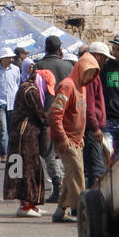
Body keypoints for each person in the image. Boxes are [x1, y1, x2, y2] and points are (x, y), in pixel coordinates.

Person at [47, 51, 100, 222]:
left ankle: (61, 210)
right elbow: (55, 114)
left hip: (77, 140)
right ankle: (81, 211)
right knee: (77, 175)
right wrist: (63, 138)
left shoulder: (83, 88)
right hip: (66, 140)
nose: (90, 76)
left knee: (72, 175)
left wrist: (81, 136)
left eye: (93, 73)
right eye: (88, 72)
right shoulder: (67, 85)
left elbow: (79, 114)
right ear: (80, 69)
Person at [4, 65, 52, 216]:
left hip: (26, 134)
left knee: (32, 167)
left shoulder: (27, 87)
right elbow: (40, 113)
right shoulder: (31, 91)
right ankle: (25, 205)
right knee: (26, 169)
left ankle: (32, 203)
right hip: (24, 135)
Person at [33, 35, 74, 204]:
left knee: (48, 153)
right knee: (65, 152)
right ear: (59, 49)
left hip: (46, 116)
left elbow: (36, 93)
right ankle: (66, 186)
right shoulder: (69, 66)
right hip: (66, 115)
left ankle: (57, 186)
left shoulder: (39, 66)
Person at [82, 42, 111, 189]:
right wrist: (96, 128)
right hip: (91, 129)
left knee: (90, 167)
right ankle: (93, 203)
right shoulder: (91, 73)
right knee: (97, 168)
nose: (105, 62)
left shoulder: (90, 72)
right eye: (104, 58)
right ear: (98, 56)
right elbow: (89, 105)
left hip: (90, 128)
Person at [0, 47, 22, 159]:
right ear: (3, 59)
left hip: (12, 102)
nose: (10, 59)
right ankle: (4, 154)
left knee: (11, 128)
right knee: (3, 129)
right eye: (8, 57)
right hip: (0, 102)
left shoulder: (16, 70)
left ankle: (12, 151)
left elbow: (17, 83)